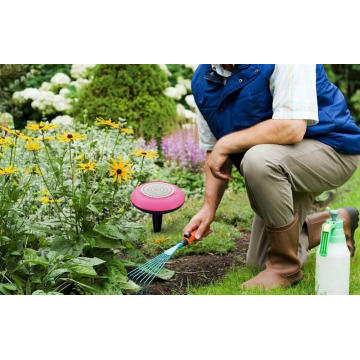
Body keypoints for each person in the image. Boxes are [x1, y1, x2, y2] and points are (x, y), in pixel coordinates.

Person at [183, 64, 360, 290]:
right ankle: (335, 224)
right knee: (258, 261)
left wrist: (225, 143)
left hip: (333, 149)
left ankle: (284, 269)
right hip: (282, 161)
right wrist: (208, 208)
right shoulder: (203, 80)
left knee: (257, 160)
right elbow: (215, 154)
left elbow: (292, 128)